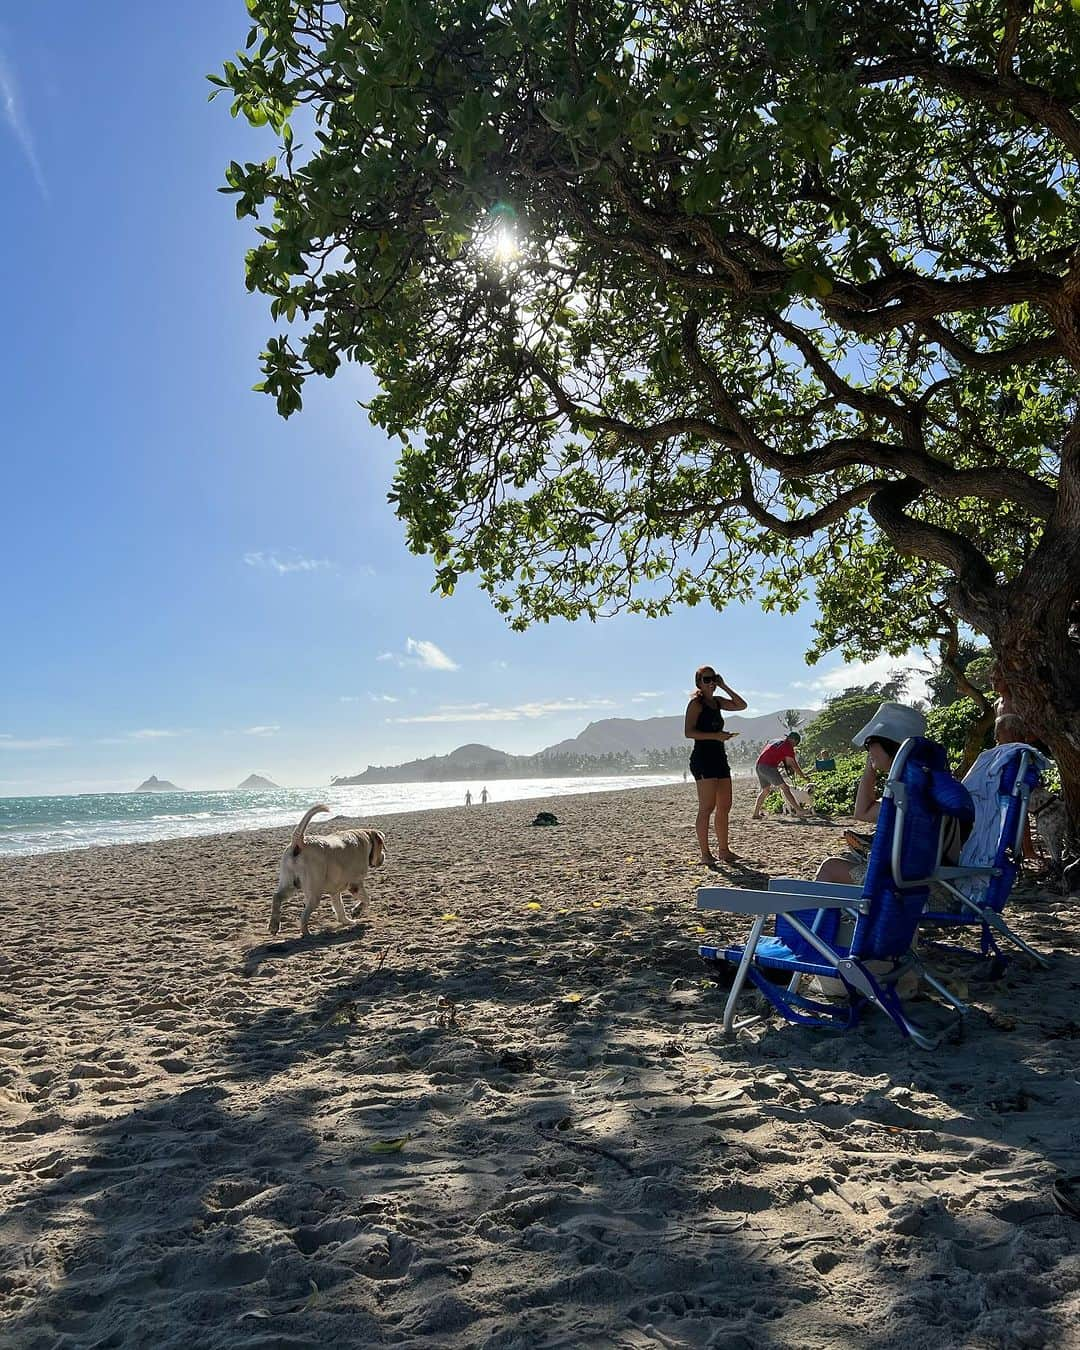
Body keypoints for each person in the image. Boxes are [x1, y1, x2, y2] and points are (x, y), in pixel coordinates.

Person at [813, 701, 968, 886]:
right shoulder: (930, 784)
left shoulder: (905, 791)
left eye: (870, 743)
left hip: (905, 882)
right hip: (934, 874)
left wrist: (869, 768)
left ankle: (810, 915)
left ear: (890, 745)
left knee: (829, 867)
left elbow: (861, 812)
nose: (867, 750)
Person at [684, 665, 747, 865]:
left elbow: (741, 705)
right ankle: (705, 854)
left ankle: (724, 850)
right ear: (698, 683)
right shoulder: (696, 704)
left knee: (725, 806)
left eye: (713, 678)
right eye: (706, 679)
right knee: (707, 807)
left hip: (719, 757)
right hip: (703, 759)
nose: (711, 682)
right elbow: (689, 732)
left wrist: (724, 685)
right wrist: (716, 736)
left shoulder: (718, 702)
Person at [752, 732, 812, 819]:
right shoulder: (788, 747)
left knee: (765, 790)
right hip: (768, 767)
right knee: (785, 788)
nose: (794, 746)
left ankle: (756, 813)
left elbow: (772, 751)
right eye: (796, 744)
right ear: (794, 740)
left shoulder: (776, 741)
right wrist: (803, 776)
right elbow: (793, 764)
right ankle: (798, 810)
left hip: (759, 765)